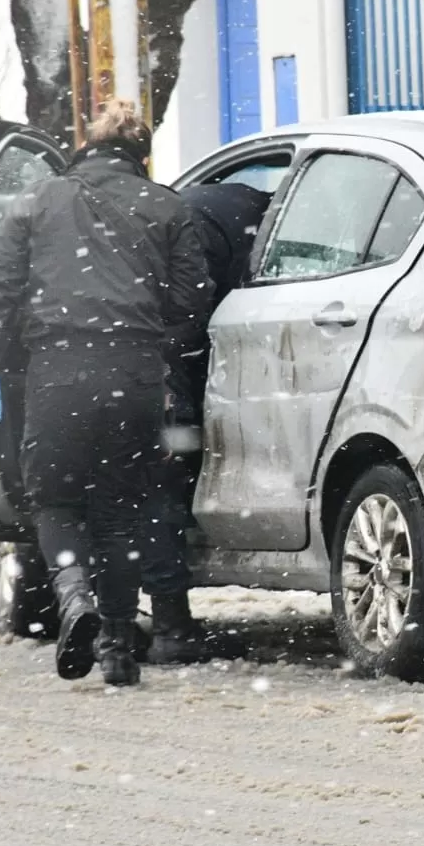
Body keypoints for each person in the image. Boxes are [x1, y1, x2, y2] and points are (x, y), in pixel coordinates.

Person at [0, 100, 210, 687]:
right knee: (120, 513)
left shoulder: (40, 200)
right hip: (135, 375)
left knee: (56, 501)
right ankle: (118, 646)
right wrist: (150, 336)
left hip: (58, 370)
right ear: (139, 154)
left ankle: (75, 601)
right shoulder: (167, 205)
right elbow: (193, 297)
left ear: (85, 145)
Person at [139, 181, 274, 665]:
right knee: (163, 488)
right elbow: (193, 308)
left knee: (152, 490)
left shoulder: (172, 212)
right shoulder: (245, 219)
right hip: (168, 364)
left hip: (133, 367)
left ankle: (131, 621)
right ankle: (168, 625)